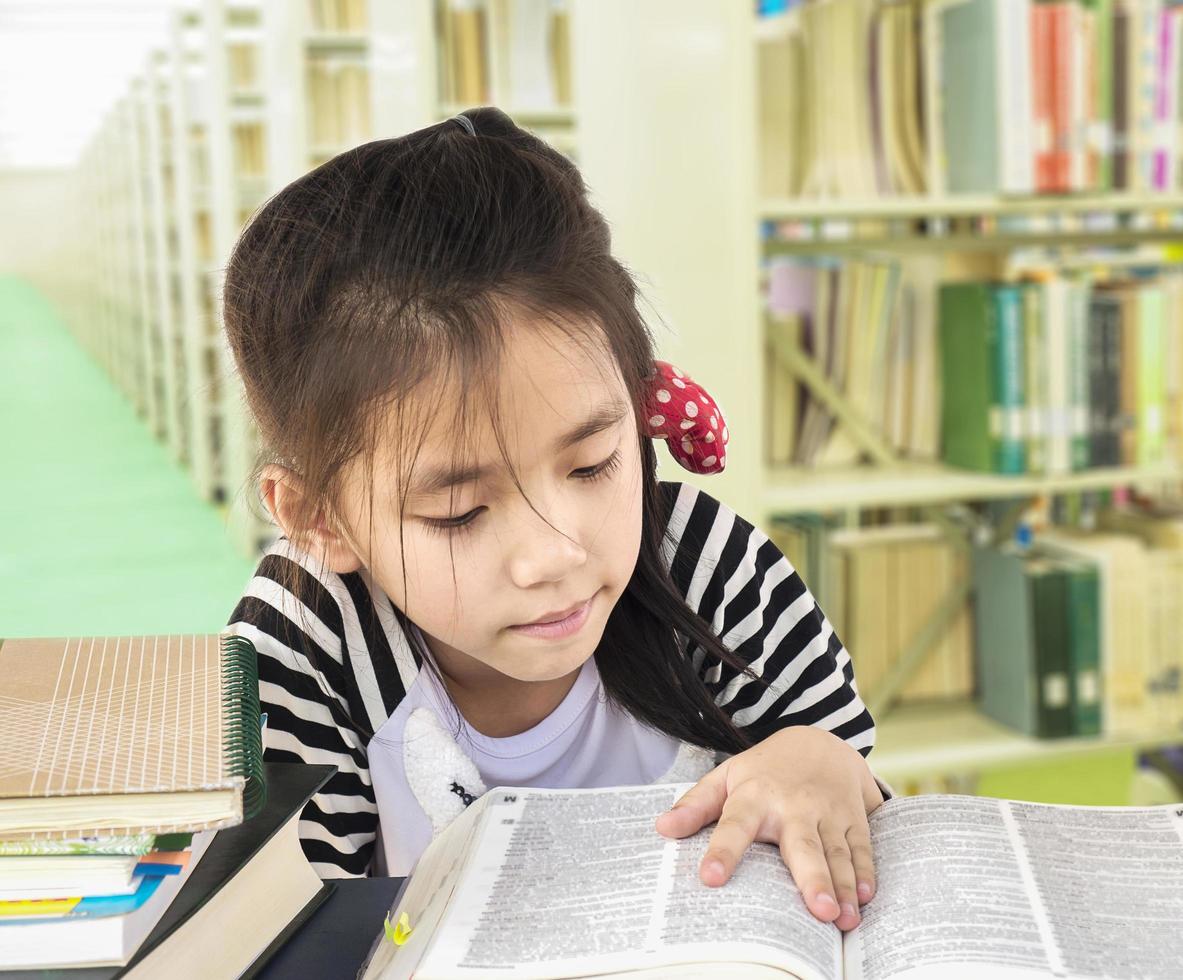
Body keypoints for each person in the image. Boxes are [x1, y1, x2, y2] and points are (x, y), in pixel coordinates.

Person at [222, 107, 892, 934]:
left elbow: (853, 818)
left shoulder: (707, 566)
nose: (553, 554)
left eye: (592, 464)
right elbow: (289, 929)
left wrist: (816, 763)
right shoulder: (305, 643)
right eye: (458, 512)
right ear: (321, 519)